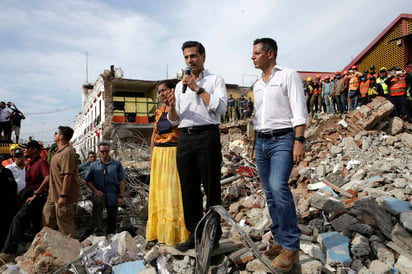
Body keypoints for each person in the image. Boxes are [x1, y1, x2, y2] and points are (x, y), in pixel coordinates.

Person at [251, 38, 307, 272]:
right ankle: (279, 241)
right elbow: (258, 116)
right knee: (269, 193)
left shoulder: (288, 75)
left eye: (256, 53)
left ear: (270, 54)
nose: (252, 57)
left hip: (283, 139)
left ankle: (292, 247)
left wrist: (298, 140)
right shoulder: (257, 84)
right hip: (261, 141)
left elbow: (299, 109)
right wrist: (254, 143)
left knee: (278, 186)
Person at [167, 40, 227, 251]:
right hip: (185, 138)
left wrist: (197, 88)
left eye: (193, 56)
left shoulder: (214, 80)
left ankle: (213, 235)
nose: (190, 61)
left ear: (203, 56)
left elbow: (220, 108)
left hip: (207, 136)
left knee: (211, 187)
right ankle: (194, 233)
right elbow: (174, 120)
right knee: (188, 188)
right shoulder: (178, 86)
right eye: (186, 57)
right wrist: (171, 107)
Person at [146, 80, 190, 246]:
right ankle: (158, 232)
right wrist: (151, 158)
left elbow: (177, 124)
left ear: (172, 90)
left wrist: (173, 105)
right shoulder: (158, 111)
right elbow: (154, 134)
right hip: (159, 153)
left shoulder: (180, 107)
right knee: (158, 192)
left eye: (164, 90)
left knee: (173, 192)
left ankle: (176, 233)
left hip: (173, 152)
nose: (161, 94)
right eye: (159, 92)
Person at [0, 140, 49, 263]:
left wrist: (36, 193)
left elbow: (48, 178)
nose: (25, 150)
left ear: (35, 150)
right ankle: (38, 251)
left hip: (36, 197)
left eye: (27, 148)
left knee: (18, 220)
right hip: (28, 196)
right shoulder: (29, 164)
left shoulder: (41, 163)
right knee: (36, 224)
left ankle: (8, 252)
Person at [43, 126, 79, 237]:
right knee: (47, 219)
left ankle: (70, 250)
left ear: (61, 136)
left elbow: (67, 175)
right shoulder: (58, 152)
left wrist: (63, 195)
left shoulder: (67, 153)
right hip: (53, 194)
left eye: (56, 133)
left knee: (65, 225)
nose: (54, 135)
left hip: (62, 195)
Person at [85, 142, 126, 236]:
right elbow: (88, 180)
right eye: (102, 151)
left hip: (113, 194)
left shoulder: (117, 165)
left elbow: (122, 181)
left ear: (109, 151)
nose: (105, 153)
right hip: (100, 194)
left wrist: (121, 196)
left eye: (107, 151)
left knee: (112, 216)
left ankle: (111, 234)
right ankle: (99, 233)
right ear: (99, 152)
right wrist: (95, 191)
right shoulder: (93, 166)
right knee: (97, 210)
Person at [0, 159, 18, 256]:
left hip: (8, 206)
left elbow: (14, 186)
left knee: (7, 228)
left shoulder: (7, 172)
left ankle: (5, 250)